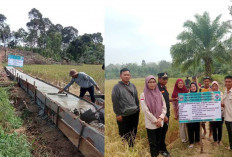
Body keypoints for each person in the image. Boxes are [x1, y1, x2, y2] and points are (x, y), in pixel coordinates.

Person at [111, 68, 140, 147]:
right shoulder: (116, 87)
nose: (127, 76)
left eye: (128, 75)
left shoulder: (133, 86)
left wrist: (138, 109)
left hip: (134, 113)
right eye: (125, 75)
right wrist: (118, 114)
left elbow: (136, 98)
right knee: (124, 132)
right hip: (124, 115)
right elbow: (115, 101)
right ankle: (124, 147)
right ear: (121, 76)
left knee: (133, 130)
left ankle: (131, 145)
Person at [140, 75, 167, 157]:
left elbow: (164, 106)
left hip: (160, 121)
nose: (152, 84)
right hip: (151, 124)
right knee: (153, 144)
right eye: (150, 82)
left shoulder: (159, 93)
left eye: (154, 82)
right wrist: (156, 120)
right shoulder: (143, 95)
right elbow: (145, 110)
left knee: (158, 142)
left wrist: (161, 118)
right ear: (146, 83)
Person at [157, 72, 176, 157]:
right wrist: (163, 116)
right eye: (164, 78)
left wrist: (175, 99)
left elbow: (166, 100)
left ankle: (161, 148)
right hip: (162, 115)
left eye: (166, 78)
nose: (165, 80)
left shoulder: (164, 87)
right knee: (161, 132)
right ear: (159, 79)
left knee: (164, 132)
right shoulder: (157, 88)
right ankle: (162, 149)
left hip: (166, 113)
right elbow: (157, 104)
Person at [172, 79, 189, 143]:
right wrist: (175, 114)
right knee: (182, 127)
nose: (180, 84)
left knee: (188, 125)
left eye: (181, 83)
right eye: (179, 83)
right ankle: (184, 140)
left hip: (187, 112)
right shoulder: (174, 93)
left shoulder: (186, 91)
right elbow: (174, 105)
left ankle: (189, 138)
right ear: (177, 84)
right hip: (180, 113)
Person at [187, 82, 200, 148]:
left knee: (197, 127)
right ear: (190, 88)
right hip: (189, 115)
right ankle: (191, 142)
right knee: (190, 128)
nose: (193, 88)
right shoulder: (187, 95)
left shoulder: (199, 95)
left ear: (196, 87)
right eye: (191, 86)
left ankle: (197, 141)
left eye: (194, 86)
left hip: (197, 114)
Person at [210, 81, 224, 146]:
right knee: (214, 127)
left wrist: (221, 105)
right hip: (212, 114)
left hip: (220, 113)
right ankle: (215, 141)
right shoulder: (209, 94)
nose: (214, 87)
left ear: (218, 86)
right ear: (211, 86)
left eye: (216, 86)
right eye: (213, 86)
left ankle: (220, 140)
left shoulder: (221, 93)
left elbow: (223, 103)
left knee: (220, 127)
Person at [222, 76, 232, 150]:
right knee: (229, 134)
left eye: (229, 81)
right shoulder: (225, 92)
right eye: (226, 81)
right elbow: (224, 104)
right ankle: (231, 147)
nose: (227, 83)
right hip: (227, 118)